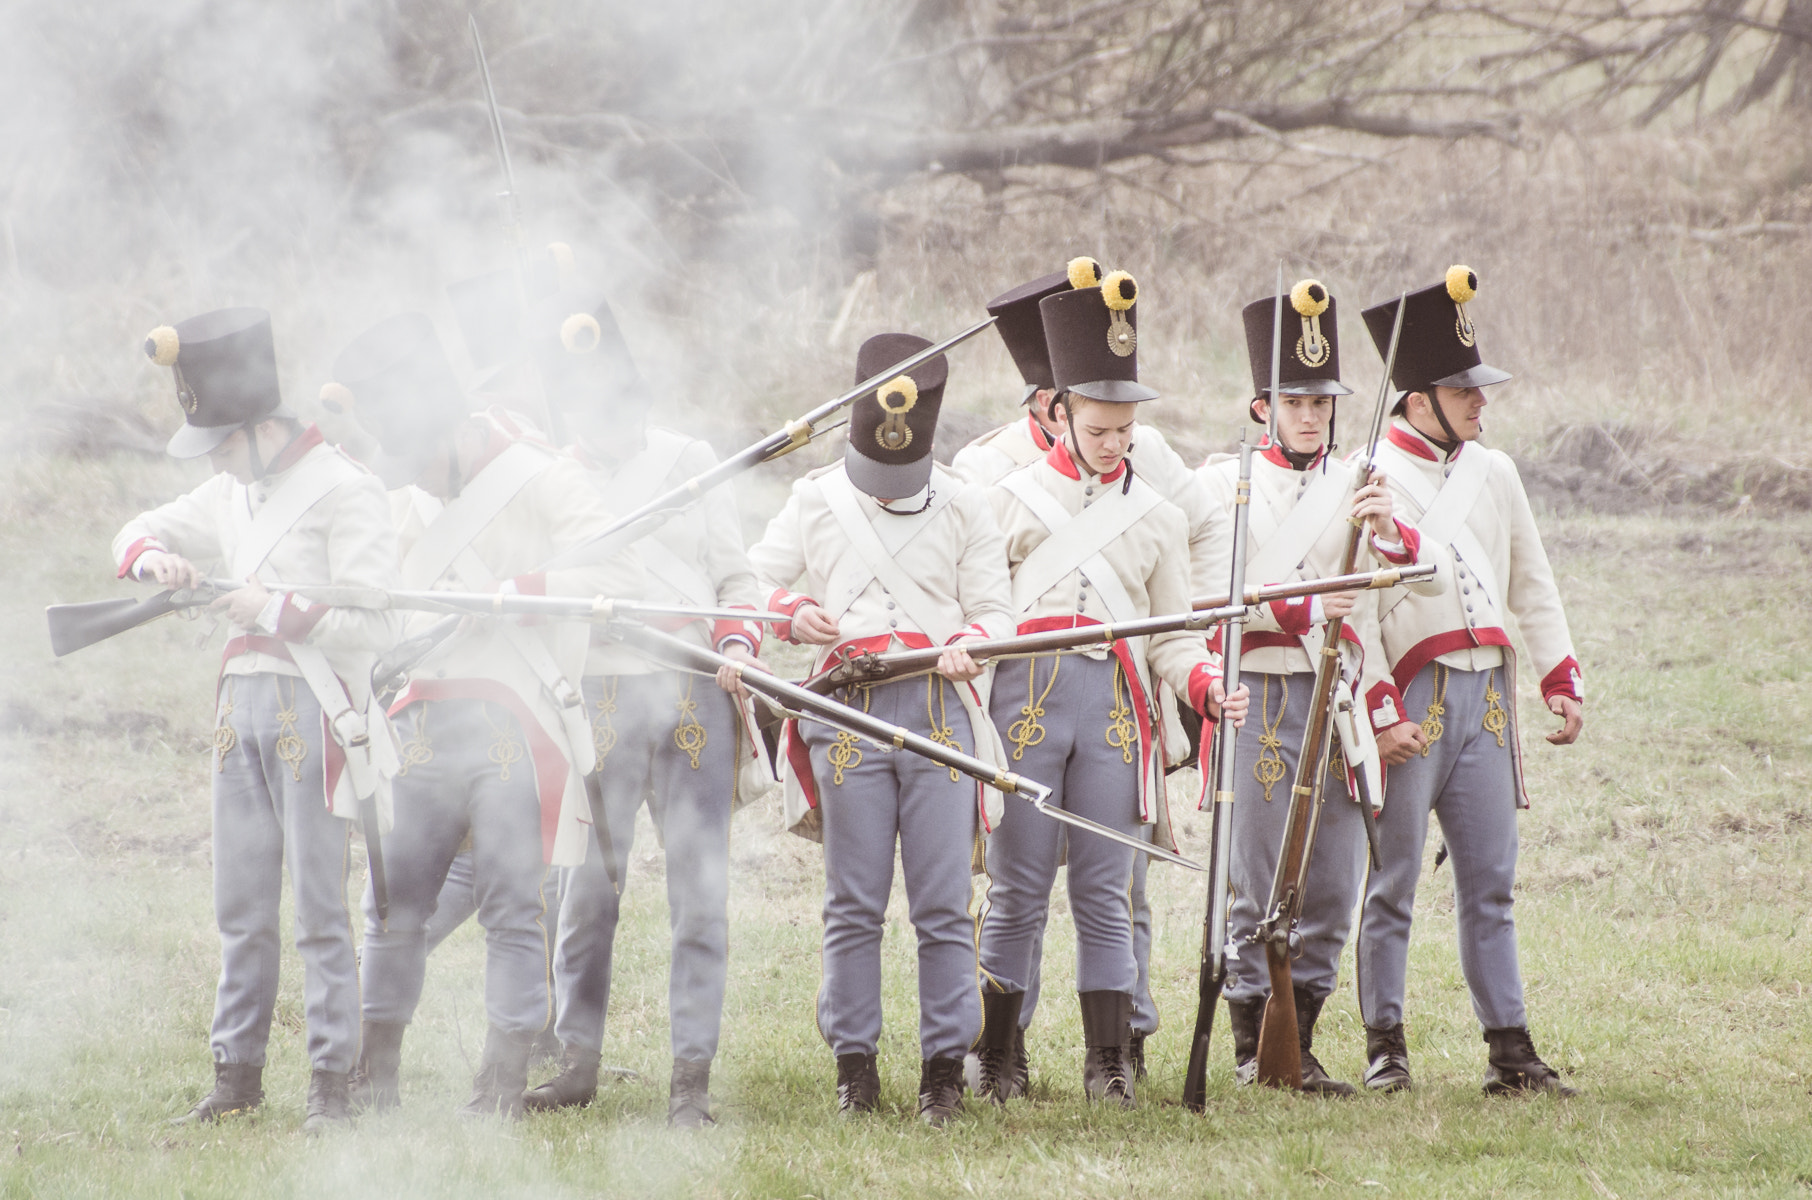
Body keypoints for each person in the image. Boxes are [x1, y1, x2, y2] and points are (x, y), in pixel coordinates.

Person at [326, 311, 643, 1118]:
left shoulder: (545, 477)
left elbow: (619, 564)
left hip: (520, 723)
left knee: (512, 906)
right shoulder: (403, 497)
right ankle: (376, 1078)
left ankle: (499, 1082)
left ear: (455, 431)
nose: (414, 478)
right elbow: (371, 598)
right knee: (392, 905)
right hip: (423, 716)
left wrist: (524, 594)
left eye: (420, 457)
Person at [952, 258, 1235, 1083]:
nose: (1116, 446)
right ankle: (996, 1053)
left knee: (1109, 891)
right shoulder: (1002, 500)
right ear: (1060, 410)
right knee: (1017, 888)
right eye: (1100, 429)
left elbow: (1175, 640)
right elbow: (976, 610)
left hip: (1116, 710)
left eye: (1126, 432)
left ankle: (1110, 1060)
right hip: (1024, 705)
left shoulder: (1157, 514)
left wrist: (1206, 686)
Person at [117, 308, 400, 1132]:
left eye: (223, 441)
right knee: (240, 907)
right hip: (234, 712)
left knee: (318, 908)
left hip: (310, 710)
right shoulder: (228, 486)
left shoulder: (350, 490)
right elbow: (132, 532)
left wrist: (275, 607)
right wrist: (152, 559)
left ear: (262, 425)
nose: (218, 461)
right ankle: (235, 1073)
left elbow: (377, 626)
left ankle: (330, 1084)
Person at [747, 333, 1013, 1126]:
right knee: (853, 900)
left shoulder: (966, 503)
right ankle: (853, 1063)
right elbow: (755, 583)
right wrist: (793, 614)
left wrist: (973, 642)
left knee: (941, 900)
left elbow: (994, 610)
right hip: (846, 716)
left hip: (938, 709)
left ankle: (943, 1067)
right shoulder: (815, 497)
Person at [520, 289, 769, 1127]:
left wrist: (737, 644)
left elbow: (738, 583)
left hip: (695, 690)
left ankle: (690, 1082)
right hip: (599, 693)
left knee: (700, 894)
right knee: (585, 891)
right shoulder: (551, 478)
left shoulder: (690, 460)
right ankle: (574, 1061)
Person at [1196, 279, 1439, 1094]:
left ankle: (1297, 1044)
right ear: (1262, 406)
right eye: (1295, 401)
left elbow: (1403, 597)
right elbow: (1206, 606)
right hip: (1262, 693)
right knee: (1259, 880)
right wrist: (1303, 604)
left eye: (1322, 402)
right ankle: (1247, 1047)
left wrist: (1383, 530)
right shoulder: (1219, 484)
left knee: (1333, 885)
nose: (1311, 416)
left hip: (1336, 699)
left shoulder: (1360, 483)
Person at [1355, 266, 1584, 1097]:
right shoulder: (1368, 474)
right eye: (1462, 390)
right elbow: (1353, 616)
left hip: (1487, 695)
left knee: (1490, 881)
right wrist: (1380, 707)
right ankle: (1385, 1042)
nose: (1480, 402)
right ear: (1419, 399)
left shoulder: (1495, 471)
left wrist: (1560, 671)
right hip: (1415, 695)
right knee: (1394, 881)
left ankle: (1510, 1048)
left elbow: (1533, 581)